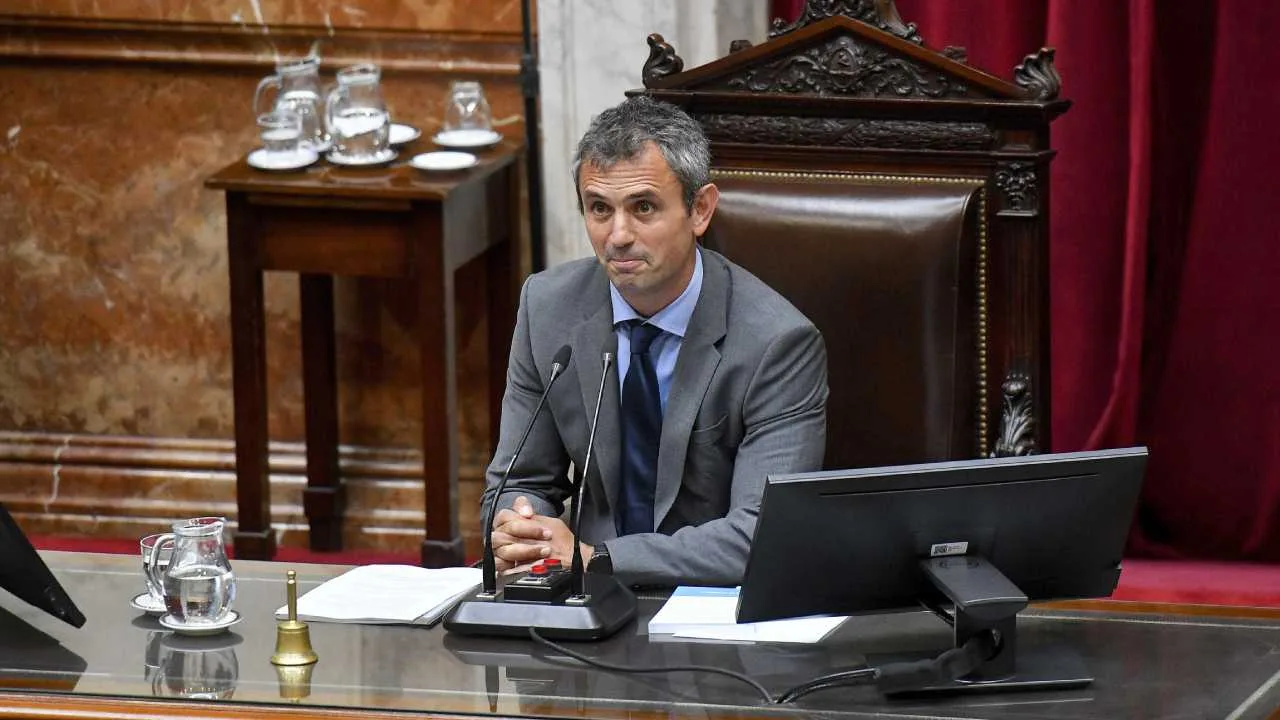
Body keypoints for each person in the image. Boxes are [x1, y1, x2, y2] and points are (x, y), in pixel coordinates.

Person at [483, 96, 827, 586]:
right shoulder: (547, 308)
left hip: (709, 599)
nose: (618, 235)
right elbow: (518, 480)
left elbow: (761, 535)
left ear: (700, 210)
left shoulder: (777, 343)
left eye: (643, 207)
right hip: (578, 593)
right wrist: (522, 527)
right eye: (599, 209)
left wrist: (596, 556)